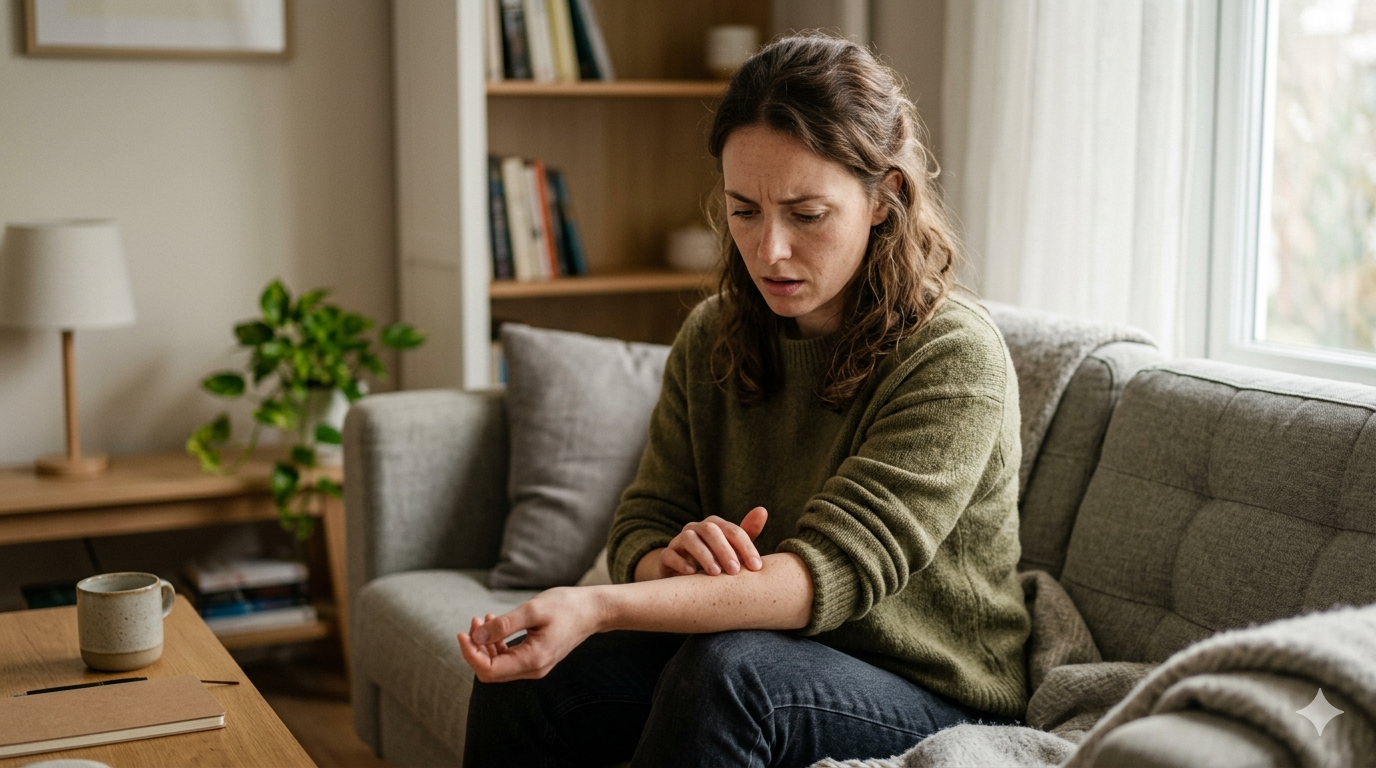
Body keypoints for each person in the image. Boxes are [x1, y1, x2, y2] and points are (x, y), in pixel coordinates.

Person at [459, 33, 1030, 768]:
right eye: (745, 211)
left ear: (884, 197)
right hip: (771, 654)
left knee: (727, 673)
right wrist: (669, 559)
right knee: (532, 673)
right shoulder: (715, 335)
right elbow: (644, 518)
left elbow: (826, 574)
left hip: (929, 688)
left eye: (807, 214)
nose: (770, 252)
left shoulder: (952, 355)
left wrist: (596, 605)